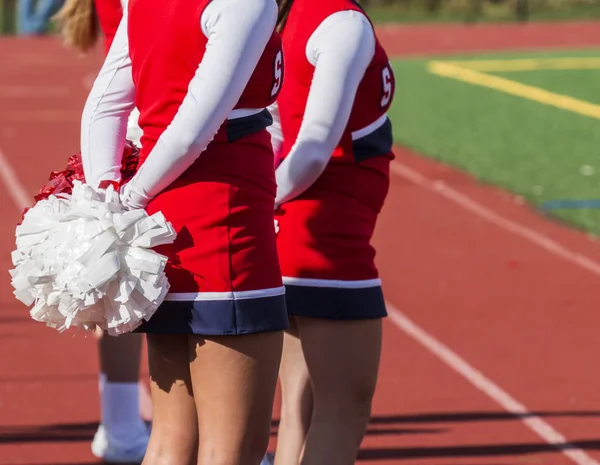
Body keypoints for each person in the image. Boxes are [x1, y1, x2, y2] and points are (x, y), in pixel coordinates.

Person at [79, 0, 288, 463]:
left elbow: (102, 108)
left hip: (161, 235)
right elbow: (192, 132)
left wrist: (108, 202)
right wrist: (127, 201)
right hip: (224, 229)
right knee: (234, 449)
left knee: (172, 441)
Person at [266, 0, 396, 464]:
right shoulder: (341, 21)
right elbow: (316, 147)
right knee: (344, 408)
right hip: (327, 237)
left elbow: (276, 127)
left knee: (300, 414)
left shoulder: (287, 14)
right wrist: (265, 201)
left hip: (295, 229)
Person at [52, 0, 147, 462]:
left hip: (126, 124)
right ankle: (127, 427)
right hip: (145, 124)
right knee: (128, 285)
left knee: (120, 281)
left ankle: (123, 425)